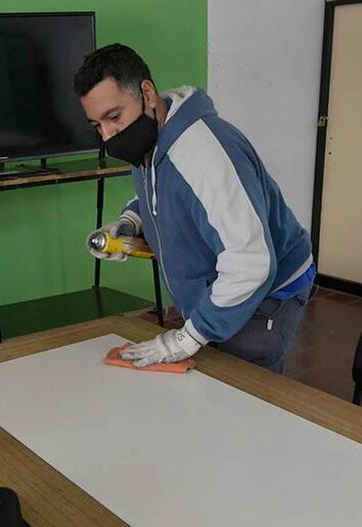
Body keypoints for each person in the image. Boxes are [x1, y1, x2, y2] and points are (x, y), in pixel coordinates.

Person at [74, 44, 315, 373]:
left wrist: (186, 339)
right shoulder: (148, 136)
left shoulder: (204, 154)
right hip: (221, 284)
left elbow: (252, 263)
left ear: (146, 92)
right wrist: (130, 222)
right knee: (212, 382)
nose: (108, 135)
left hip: (269, 293)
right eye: (96, 126)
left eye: (113, 117)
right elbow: (165, 195)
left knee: (246, 392)